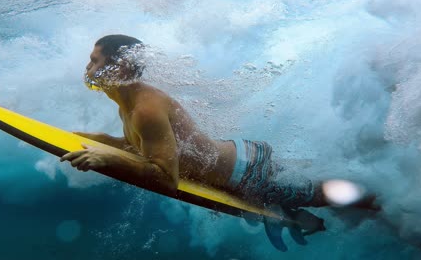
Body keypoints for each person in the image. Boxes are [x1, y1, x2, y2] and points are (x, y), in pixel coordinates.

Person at [60, 35, 376, 218]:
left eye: (94, 60)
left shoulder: (145, 109)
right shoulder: (126, 101)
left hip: (249, 175)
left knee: (322, 194)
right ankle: (357, 183)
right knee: (309, 181)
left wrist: (108, 158)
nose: (88, 68)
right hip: (240, 157)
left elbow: (166, 178)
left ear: (122, 66)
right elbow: (146, 147)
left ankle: (382, 202)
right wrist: (99, 141)